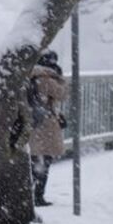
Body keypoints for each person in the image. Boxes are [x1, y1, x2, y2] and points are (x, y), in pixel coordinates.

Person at [28, 50, 68, 206]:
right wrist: (60, 79)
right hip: (45, 125)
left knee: (35, 161)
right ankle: (37, 196)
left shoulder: (31, 76)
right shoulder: (46, 78)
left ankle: (32, 195)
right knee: (43, 163)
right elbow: (63, 94)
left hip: (33, 123)